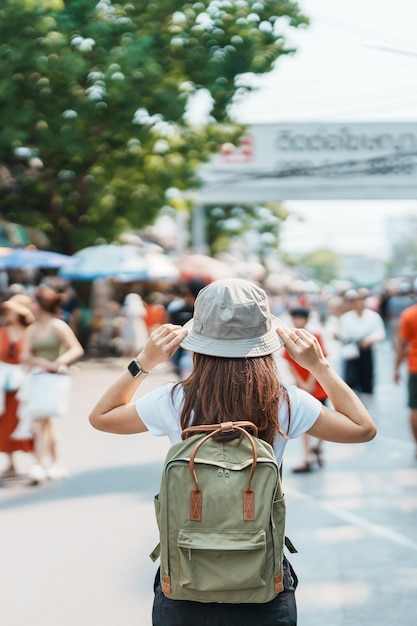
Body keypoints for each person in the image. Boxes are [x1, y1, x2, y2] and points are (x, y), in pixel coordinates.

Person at [89, 278, 376, 626]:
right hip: (261, 583)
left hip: (185, 583)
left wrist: (143, 362)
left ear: (197, 341)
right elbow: (363, 429)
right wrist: (319, 365)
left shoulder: (174, 400)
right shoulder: (284, 401)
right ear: (265, 340)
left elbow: (101, 418)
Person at [19, 286, 84, 484]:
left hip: (55, 380)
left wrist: (59, 362)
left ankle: (39, 464)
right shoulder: (32, 329)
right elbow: (25, 355)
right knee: (45, 422)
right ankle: (55, 462)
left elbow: (76, 349)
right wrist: (42, 363)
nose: (30, 306)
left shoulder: (58, 326)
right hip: (38, 378)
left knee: (40, 422)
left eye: (33, 302)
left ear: (42, 304)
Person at [283, 307, 328, 473]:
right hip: (303, 386)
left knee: (325, 420)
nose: (298, 321)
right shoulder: (289, 339)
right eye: (296, 318)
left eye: (301, 318)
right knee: (306, 422)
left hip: (318, 385)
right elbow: (288, 362)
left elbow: (320, 360)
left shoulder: (314, 337)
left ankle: (316, 448)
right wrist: (301, 381)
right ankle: (308, 456)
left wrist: (309, 380)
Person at [0, 294, 34, 478]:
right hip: (5, 386)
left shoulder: (32, 332)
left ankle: (39, 460)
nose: (7, 313)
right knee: (6, 423)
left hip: (27, 383)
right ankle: (10, 462)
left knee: (30, 421)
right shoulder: (3, 332)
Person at [336, 288, 386, 410]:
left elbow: (380, 333)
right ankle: (353, 406)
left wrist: (370, 340)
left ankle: (366, 406)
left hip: (366, 351)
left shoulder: (373, 317)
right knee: (351, 379)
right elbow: (342, 333)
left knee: (367, 378)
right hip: (351, 350)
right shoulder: (346, 318)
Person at [394, 298, 417, 458]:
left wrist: (396, 368)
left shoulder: (409, 315)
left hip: (415, 367)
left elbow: (402, 344)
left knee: (414, 408)